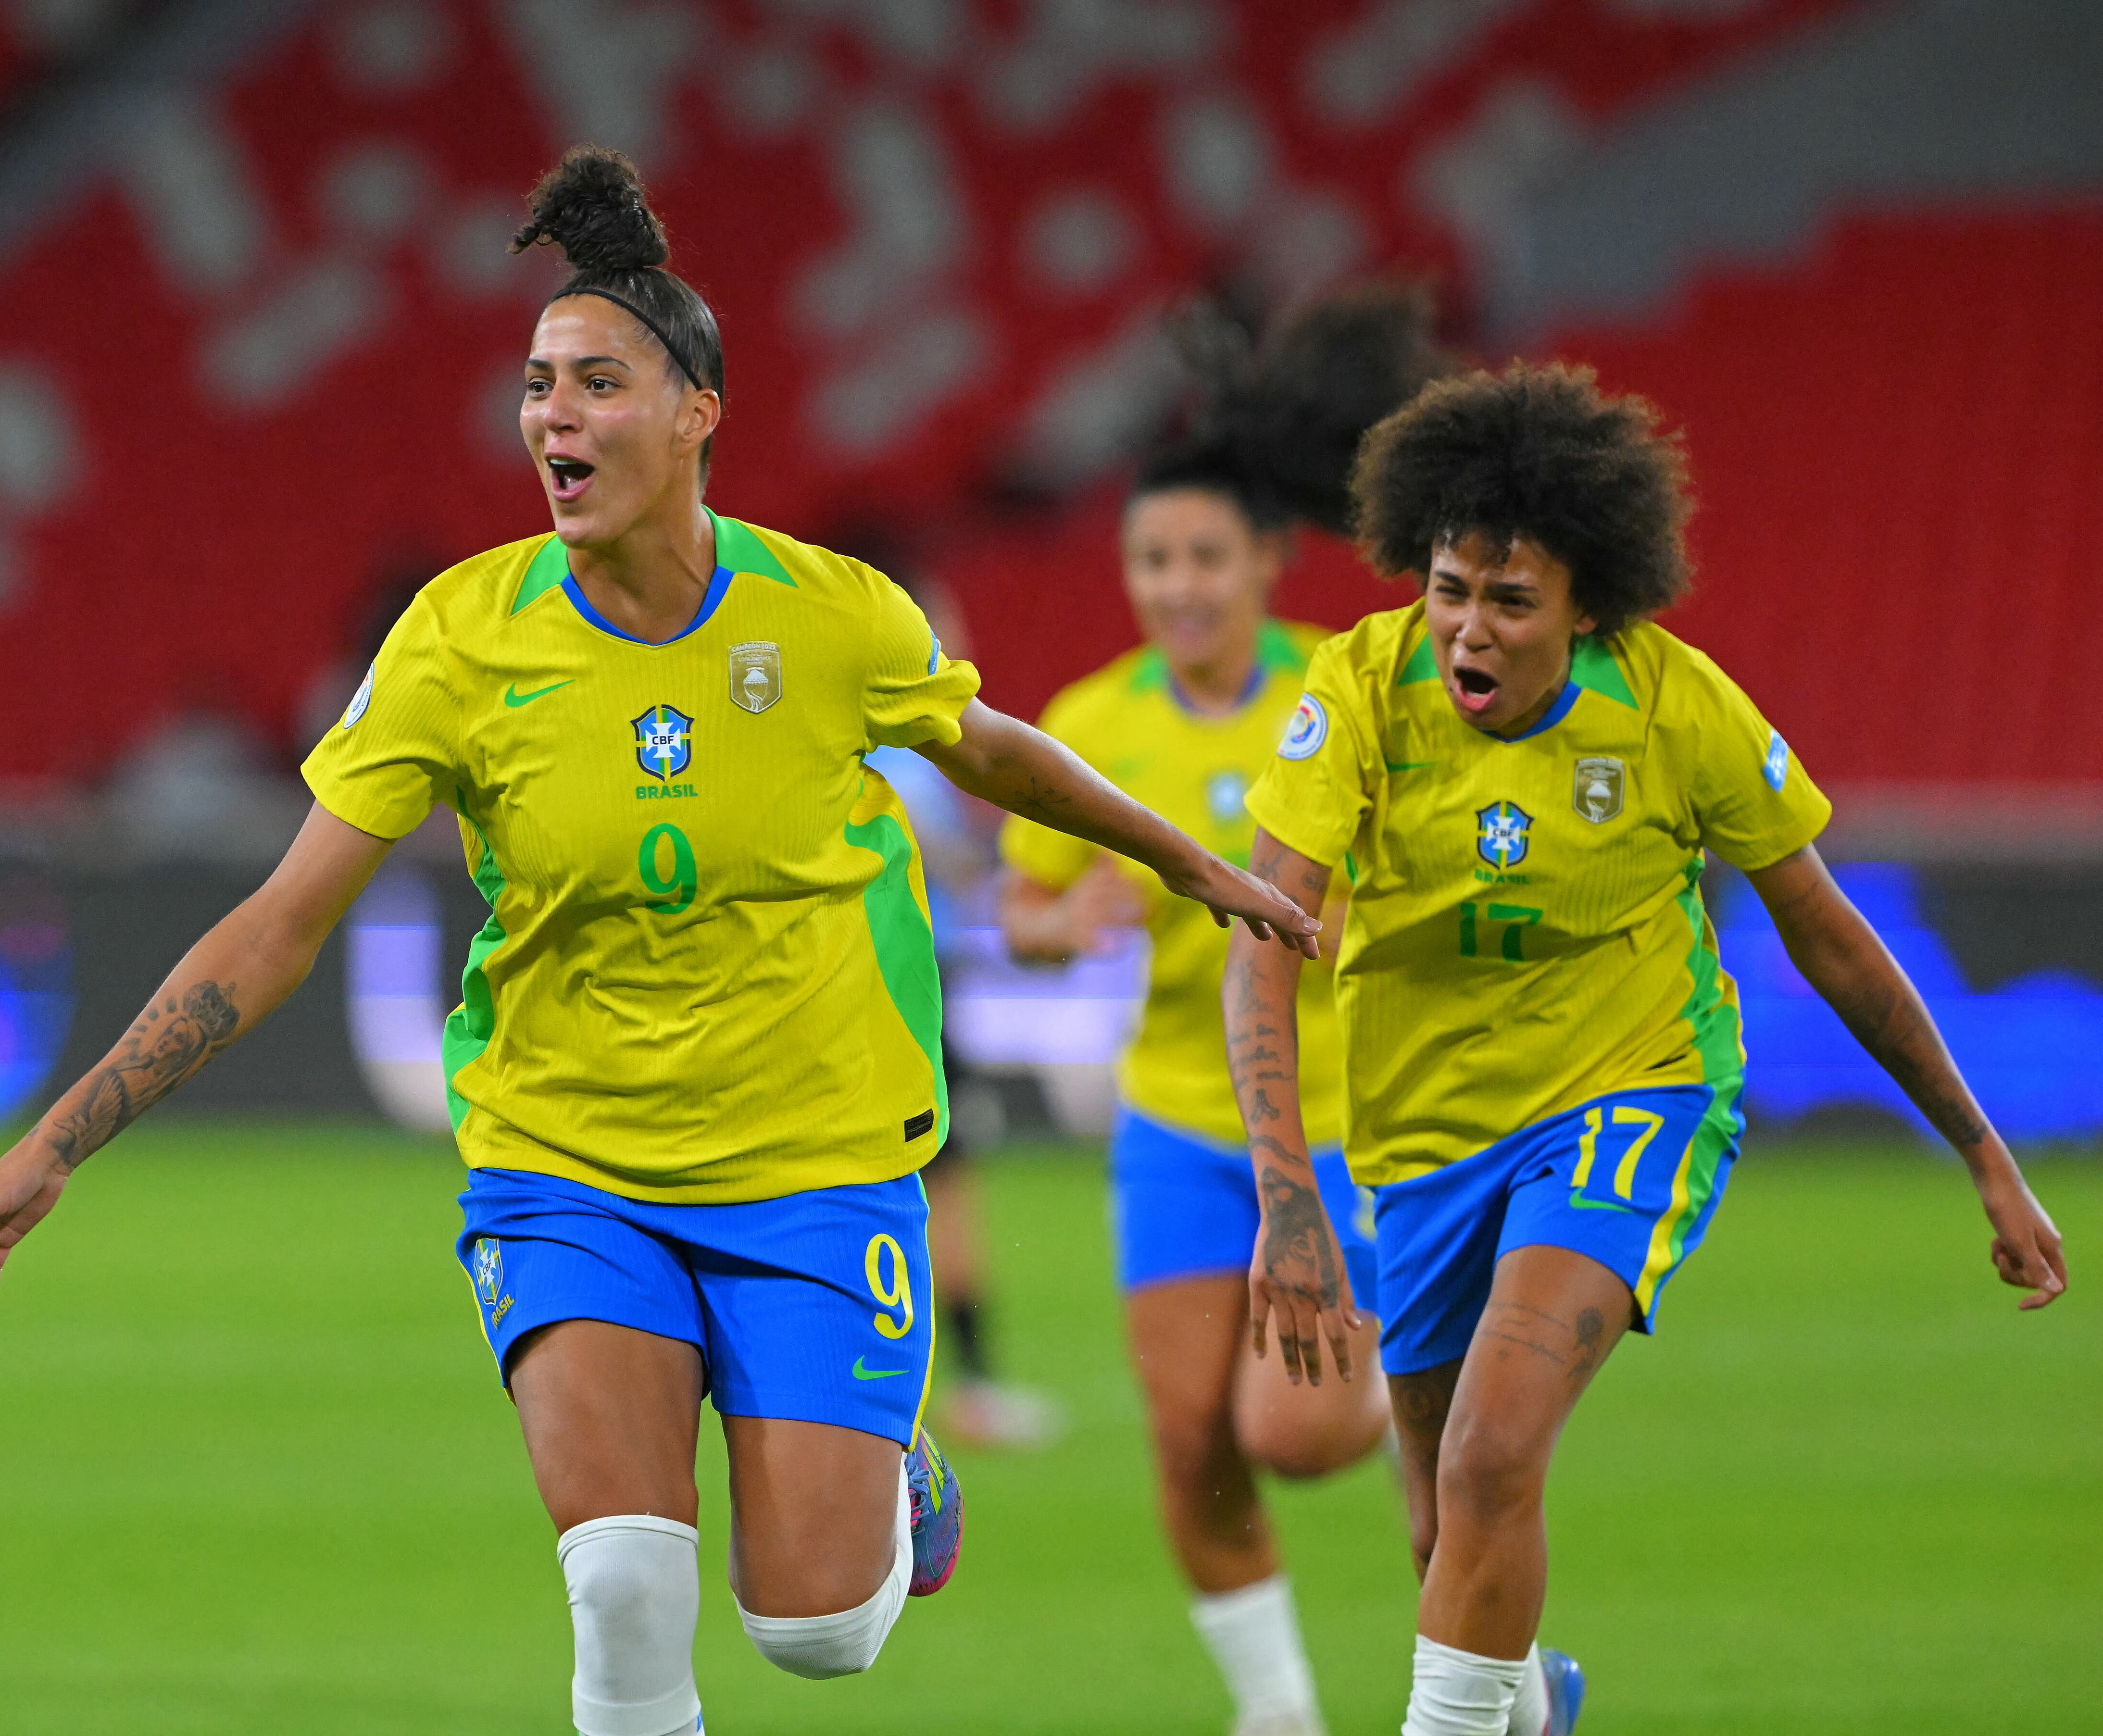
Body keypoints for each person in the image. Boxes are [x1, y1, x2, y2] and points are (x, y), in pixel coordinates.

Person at [0, 145, 1317, 1736]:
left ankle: (892, 1474)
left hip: (811, 1160)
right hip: (567, 1166)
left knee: (817, 1635)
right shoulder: (459, 640)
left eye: (597, 383)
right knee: (626, 1591)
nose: (554, 417)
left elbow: (990, 748)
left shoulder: (829, 615)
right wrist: (58, 1140)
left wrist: (1188, 861)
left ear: (696, 414)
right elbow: (280, 923)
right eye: (537, 386)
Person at [1226, 361, 2069, 1736]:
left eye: (1511, 601)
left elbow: (1828, 935)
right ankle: (1530, 1703)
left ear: (1590, 607)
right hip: (1419, 1139)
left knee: (1494, 1452)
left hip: (1630, 1093)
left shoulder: (1677, 709)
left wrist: (1981, 1149)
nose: (1468, 629)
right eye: (1449, 589)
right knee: (1444, 1519)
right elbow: (1264, 939)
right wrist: (1287, 1196)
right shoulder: (1362, 687)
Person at [997, 286, 1453, 1736]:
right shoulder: (1092, 723)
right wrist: (1063, 923)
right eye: (1151, 559)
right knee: (1192, 1438)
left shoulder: (1346, 686)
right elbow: (1020, 912)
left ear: (1266, 558)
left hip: (1349, 1128)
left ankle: (1409, 1402)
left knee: (1295, 1435)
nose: (1176, 585)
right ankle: (1280, 1712)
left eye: (1204, 555)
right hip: (1181, 1125)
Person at [860, 556, 1066, 1452]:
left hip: (867, 993)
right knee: (941, 1191)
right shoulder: (907, 755)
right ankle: (966, 1390)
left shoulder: (856, 744)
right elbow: (939, 860)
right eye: (940, 625)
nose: (958, 643)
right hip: (901, 997)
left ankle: (869, 1392)